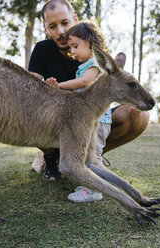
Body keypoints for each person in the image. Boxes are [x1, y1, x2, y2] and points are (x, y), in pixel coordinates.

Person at [28, 0, 150, 187]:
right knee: (27, 111)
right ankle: (51, 158)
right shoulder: (42, 50)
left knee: (139, 115)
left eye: (65, 23)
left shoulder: (91, 49)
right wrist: (46, 88)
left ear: (75, 20)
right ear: (45, 28)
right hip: (59, 118)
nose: (60, 31)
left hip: (90, 117)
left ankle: (90, 161)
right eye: (52, 26)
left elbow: (114, 82)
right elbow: (30, 88)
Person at [44, 20, 109, 202]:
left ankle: (94, 190)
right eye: (70, 47)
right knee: (85, 154)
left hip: (98, 119)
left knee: (92, 155)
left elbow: (84, 83)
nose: (71, 51)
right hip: (87, 120)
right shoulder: (85, 64)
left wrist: (60, 86)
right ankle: (88, 185)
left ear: (90, 42)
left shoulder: (96, 62)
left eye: (75, 46)